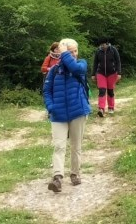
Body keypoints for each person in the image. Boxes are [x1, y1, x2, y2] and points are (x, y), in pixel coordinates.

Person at [43, 38, 90, 193]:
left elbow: (75, 69)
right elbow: (47, 91)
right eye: (70, 51)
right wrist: (51, 107)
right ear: (61, 53)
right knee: (59, 146)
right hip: (58, 114)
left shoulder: (81, 64)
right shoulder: (54, 71)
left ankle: (75, 173)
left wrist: (65, 53)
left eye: (75, 51)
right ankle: (57, 178)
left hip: (78, 111)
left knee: (76, 146)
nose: (73, 54)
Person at [92, 39, 122, 117]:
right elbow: (95, 63)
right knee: (102, 90)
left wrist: (119, 73)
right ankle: (101, 109)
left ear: (108, 44)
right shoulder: (98, 51)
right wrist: (93, 74)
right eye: (101, 45)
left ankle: (111, 107)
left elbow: (118, 61)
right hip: (101, 73)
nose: (102, 46)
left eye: (104, 45)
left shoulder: (113, 50)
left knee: (110, 91)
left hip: (112, 73)